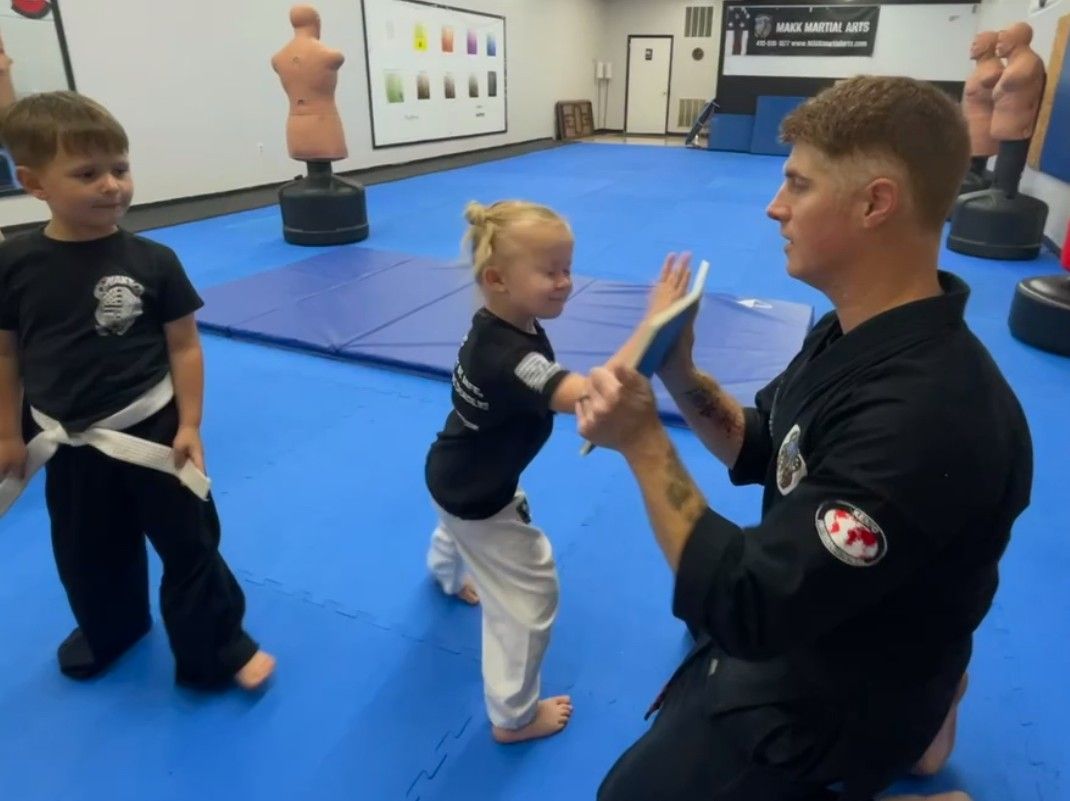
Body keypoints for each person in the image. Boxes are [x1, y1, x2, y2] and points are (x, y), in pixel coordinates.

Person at [577, 76, 1032, 801]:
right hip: (864, 611)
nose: (773, 206)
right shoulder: (849, 331)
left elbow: (749, 607)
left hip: (849, 690)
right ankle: (929, 711)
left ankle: (910, 739)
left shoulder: (928, 418)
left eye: (797, 184)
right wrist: (679, 371)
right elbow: (765, 451)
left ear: (875, 203)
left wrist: (643, 443)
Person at [0, 91, 275, 691]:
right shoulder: (14, 263)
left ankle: (217, 650)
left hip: (151, 431)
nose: (112, 186)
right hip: (65, 439)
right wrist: (6, 433)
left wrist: (190, 424)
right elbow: (7, 352)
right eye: (87, 173)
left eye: (120, 168)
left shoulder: (153, 260)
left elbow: (184, 346)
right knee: (86, 552)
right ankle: (111, 629)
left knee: (191, 545)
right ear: (33, 182)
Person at [424, 200, 674, 744]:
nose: (566, 283)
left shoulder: (501, 321)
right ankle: (512, 717)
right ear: (497, 279)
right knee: (532, 595)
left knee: (453, 527)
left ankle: (445, 573)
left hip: (455, 468)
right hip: (478, 493)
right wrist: (654, 324)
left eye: (567, 268)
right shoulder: (510, 356)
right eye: (550, 272)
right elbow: (590, 397)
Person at [271, 4, 348, 162]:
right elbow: (338, 58)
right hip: (324, 127)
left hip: (295, 130)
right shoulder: (331, 56)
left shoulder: (278, 59)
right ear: (317, 22)